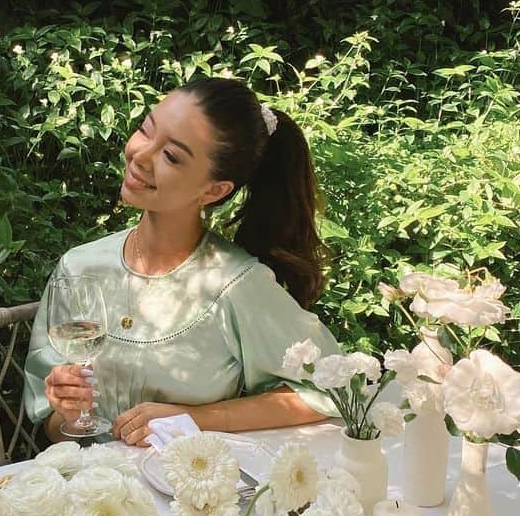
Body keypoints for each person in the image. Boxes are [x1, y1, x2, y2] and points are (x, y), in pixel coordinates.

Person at [23, 76, 340, 445]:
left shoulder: (236, 284)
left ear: (214, 190)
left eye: (171, 156)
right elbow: (54, 431)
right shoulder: (78, 268)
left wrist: (197, 418)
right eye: (145, 130)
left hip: (187, 493)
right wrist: (67, 410)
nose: (140, 155)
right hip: (86, 491)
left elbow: (334, 388)